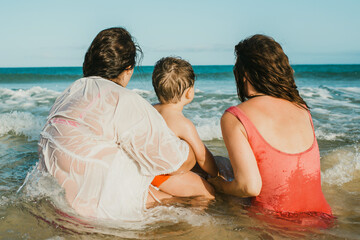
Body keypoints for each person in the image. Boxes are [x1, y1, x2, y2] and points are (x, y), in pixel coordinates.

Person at [38, 27, 197, 221]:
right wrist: (191, 150)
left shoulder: (69, 93)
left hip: (55, 202)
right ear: (128, 69)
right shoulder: (124, 100)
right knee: (196, 194)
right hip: (99, 212)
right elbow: (172, 162)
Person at [208, 34, 332, 216]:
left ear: (244, 74)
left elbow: (249, 187)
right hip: (323, 218)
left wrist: (218, 185)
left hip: (277, 225)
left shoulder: (235, 117)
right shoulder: (302, 108)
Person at [151, 57, 218, 198]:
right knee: (207, 192)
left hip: (148, 171)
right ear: (189, 92)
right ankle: (191, 217)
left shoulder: (150, 110)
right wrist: (215, 174)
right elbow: (203, 157)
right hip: (162, 177)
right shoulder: (183, 123)